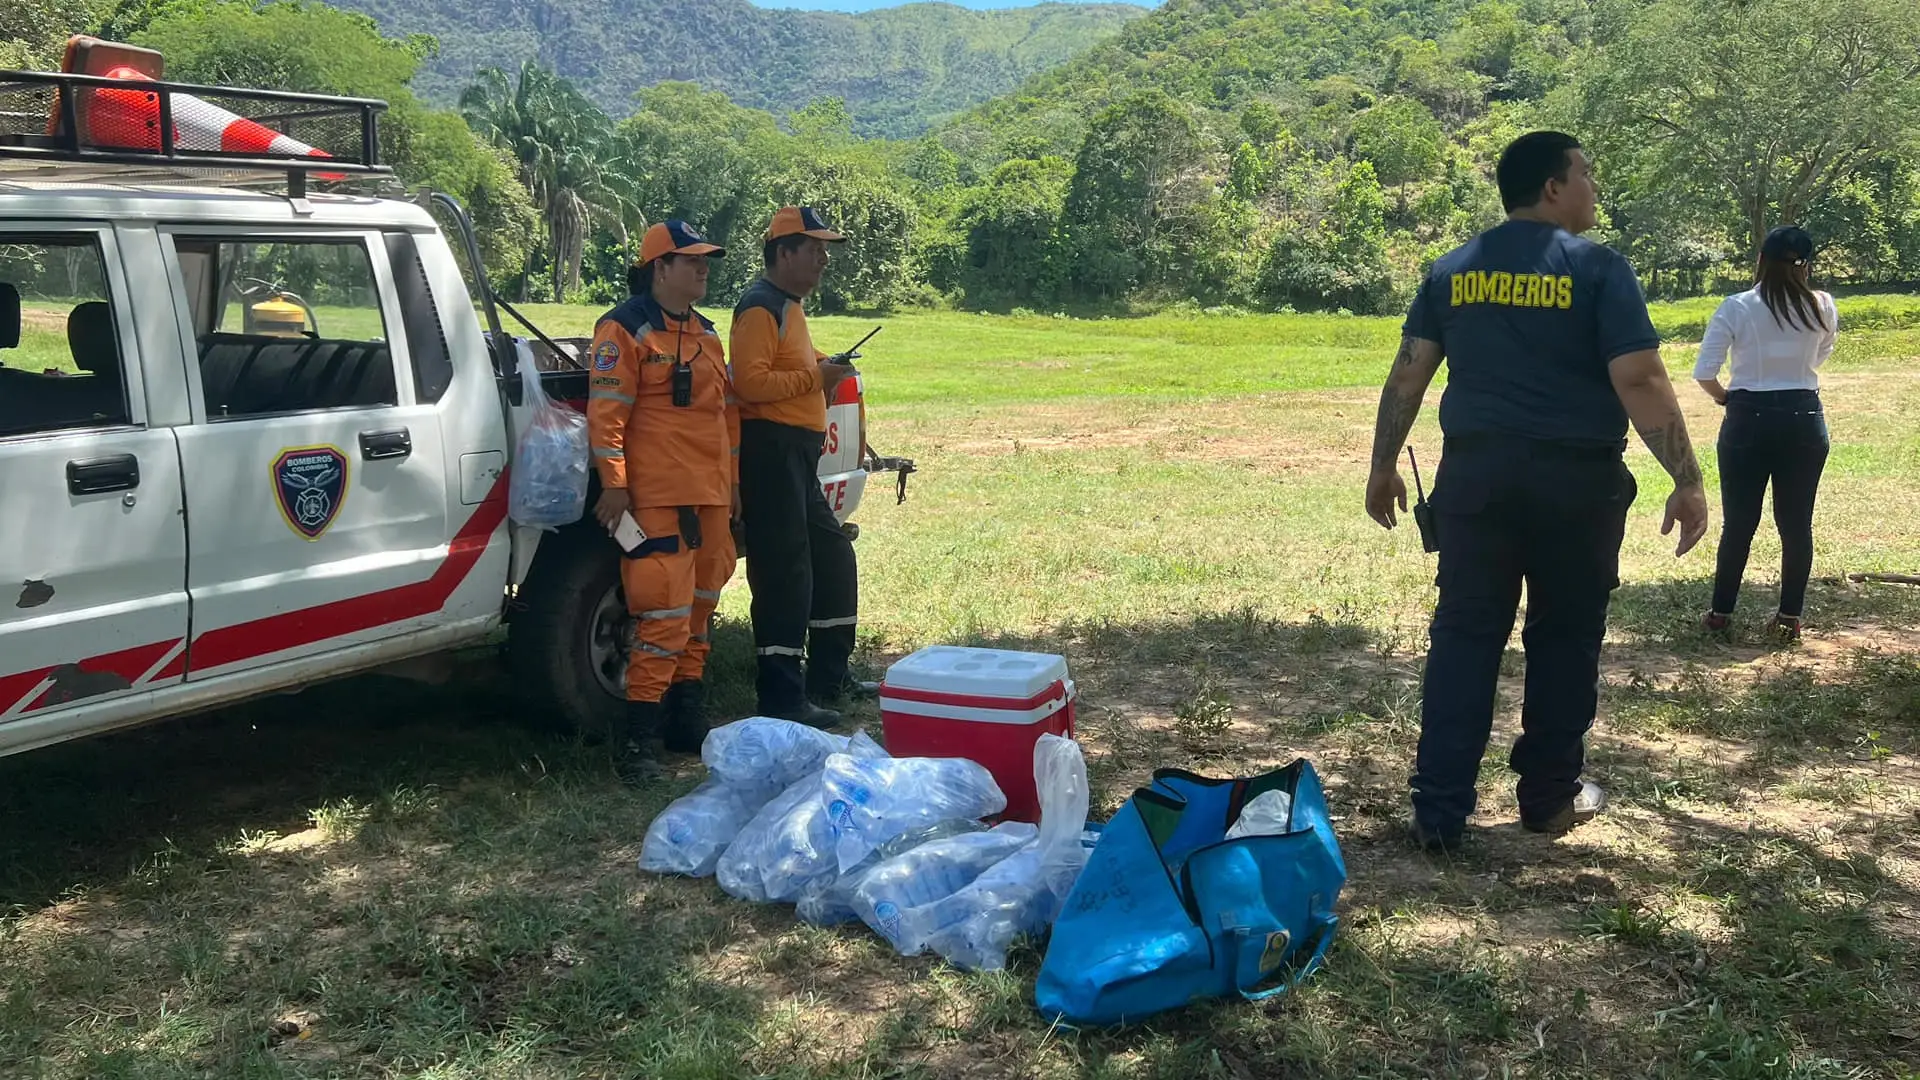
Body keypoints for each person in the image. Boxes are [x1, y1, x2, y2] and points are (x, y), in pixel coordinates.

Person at [1363, 131, 1710, 851]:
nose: (1594, 187)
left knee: (1464, 635)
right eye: (1586, 173)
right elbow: (1640, 380)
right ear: (1552, 187)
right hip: (1575, 486)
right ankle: (1550, 798)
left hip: (1476, 481)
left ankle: (1439, 812)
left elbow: (1407, 377)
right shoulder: (1600, 271)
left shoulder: (1453, 270)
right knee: (1564, 637)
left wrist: (1383, 464)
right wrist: (1687, 476)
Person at [587, 220, 737, 782]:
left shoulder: (706, 332)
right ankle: (640, 742)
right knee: (662, 614)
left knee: (700, 606)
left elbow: (726, 417)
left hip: (711, 496)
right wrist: (616, 483)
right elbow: (607, 416)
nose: (702, 268)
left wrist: (734, 484)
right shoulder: (623, 330)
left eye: (705, 260)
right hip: (656, 498)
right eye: (691, 260)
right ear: (659, 268)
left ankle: (684, 718)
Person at [729, 206, 873, 729]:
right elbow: (749, 384)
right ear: (783, 252)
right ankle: (781, 695)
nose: (822, 261)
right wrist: (816, 378)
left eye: (825, 251)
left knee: (831, 554)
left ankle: (829, 676)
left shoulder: (789, 305)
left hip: (797, 454)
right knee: (784, 571)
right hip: (771, 452)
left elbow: (789, 372)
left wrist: (821, 371)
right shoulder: (760, 307)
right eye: (813, 250)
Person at [1693, 225, 1837, 642]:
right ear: (1805, 265)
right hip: (1804, 416)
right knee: (1796, 524)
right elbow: (1821, 355)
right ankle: (1790, 616)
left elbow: (1705, 373)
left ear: (1761, 259)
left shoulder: (1737, 306)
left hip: (1748, 417)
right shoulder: (1822, 305)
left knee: (1739, 522)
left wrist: (1727, 399)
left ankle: (1721, 613)